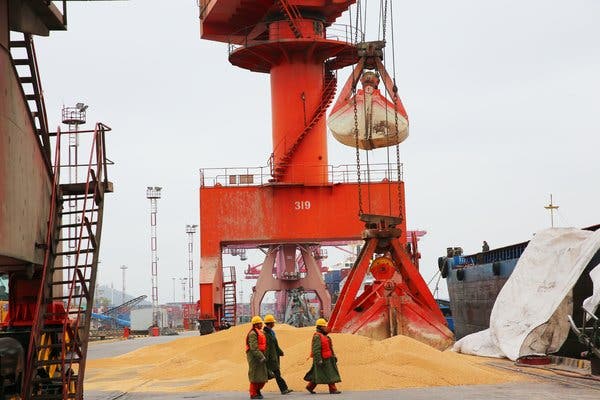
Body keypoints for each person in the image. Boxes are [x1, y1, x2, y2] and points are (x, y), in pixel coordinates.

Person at [304, 318, 341, 394]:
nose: (326, 328)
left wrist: (334, 356)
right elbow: (316, 349)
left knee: (317, 374)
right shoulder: (317, 337)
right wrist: (319, 360)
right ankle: (333, 389)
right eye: (324, 326)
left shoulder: (325, 336)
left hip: (328, 358)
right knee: (330, 373)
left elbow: (330, 348)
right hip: (322, 359)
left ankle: (310, 387)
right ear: (320, 327)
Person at [263, 314, 293, 395]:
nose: (274, 324)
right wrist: (266, 358)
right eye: (273, 322)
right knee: (276, 374)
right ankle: (284, 389)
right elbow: (268, 347)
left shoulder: (271, 332)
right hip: (271, 358)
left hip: (274, 356)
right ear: (270, 323)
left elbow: (275, 345)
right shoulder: (266, 334)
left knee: (273, 374)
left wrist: (280, 351)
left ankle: (284, 389)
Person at [246, 315, 268, 399]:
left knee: (261, 376)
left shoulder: (259, 332)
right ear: (255, 324)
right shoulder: (252, 334)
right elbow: (254, 348)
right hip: (254, 357)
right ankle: (253, 394)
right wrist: (261, 356)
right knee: (255, 375)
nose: (262, 325)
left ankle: (257, 391)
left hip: (260, 356)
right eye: (260, 323)